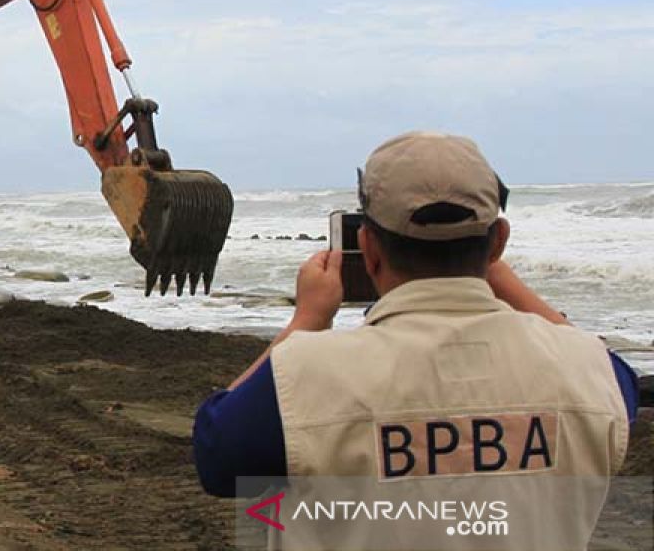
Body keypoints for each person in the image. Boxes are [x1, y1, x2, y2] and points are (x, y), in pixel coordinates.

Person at [193, 132, 638, 542]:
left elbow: (216, 451)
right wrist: (504, 281)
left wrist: (304, 321)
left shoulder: (306, 374)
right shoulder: (590, 372)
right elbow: (616, 375)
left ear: (368, 248)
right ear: (498, 242)